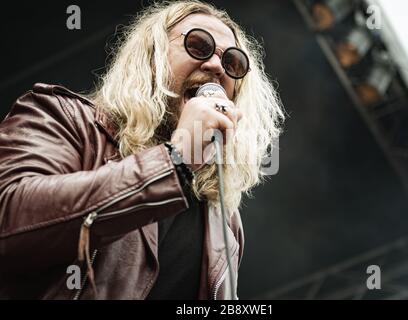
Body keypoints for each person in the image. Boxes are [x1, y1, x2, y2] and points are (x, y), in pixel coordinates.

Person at [0, 0, 284, 299]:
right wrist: (176, 160)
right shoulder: (65, 117)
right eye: (199, 45)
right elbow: (10, 220)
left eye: (232, 63)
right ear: (152, 58)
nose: (215, 66)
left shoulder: (223, 218)